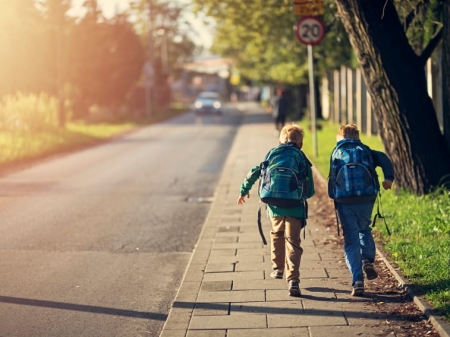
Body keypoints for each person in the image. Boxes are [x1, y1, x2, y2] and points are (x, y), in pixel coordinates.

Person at [237, 124, 315, 297]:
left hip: (274, 205)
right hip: (294, 206)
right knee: (293, 242)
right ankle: (293, 280)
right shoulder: (301, 157)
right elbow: (309, 187)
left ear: (280, 140)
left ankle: (278, 268)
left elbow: (255, 171)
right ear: (300, 143)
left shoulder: (272, 153)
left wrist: (244, 190)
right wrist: (305, 195)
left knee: (276, 234)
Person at [329, 124, 394, 296]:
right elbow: (384, 159)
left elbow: (332, 178)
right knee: (364, 229)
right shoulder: (365, 149)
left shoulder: (337, 152)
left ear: (340, 138)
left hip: (344, 200)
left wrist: (333, 196)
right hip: (366, 197)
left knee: (351, 238)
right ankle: (367, 259)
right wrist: (388, 179)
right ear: (357, 136)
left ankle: (357, 281)